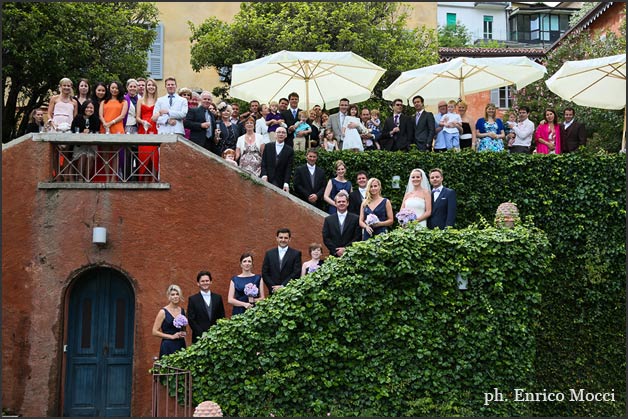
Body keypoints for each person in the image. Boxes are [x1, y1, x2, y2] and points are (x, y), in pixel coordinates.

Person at [99, 81, 128, 182]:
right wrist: (105, 123)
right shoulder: (104, 102)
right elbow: (100, 115)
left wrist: (111, 123)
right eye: (112, 88)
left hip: (117, 128)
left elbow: (122, 116)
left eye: (116, 88)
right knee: (105, 153)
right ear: (109, 88)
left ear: (119, 89)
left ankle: (113, 177)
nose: (114, 90)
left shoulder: (124, 102)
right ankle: (107, 177)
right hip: (105, 128)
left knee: (116, 154)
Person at [187, 271, 225, 343]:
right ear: (198, 283)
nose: (205, 283)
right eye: (202, 281)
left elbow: (222, 316)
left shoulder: (218, 298)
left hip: (216, 337)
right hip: (199, 338)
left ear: (211, 282)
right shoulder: (193, 299)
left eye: (207, 281)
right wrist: (201, 334)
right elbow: (191, 319)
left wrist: (217, 332)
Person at [262, 228, 302, 295]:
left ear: (289, 239)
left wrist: (283, 286)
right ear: (277, 238)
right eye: (281, 237)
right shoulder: (269, 253)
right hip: (273, 292)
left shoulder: (296, 254)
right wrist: (273, 288)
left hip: (289, 292)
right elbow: (265, 273)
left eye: (286, 238)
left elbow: (296, 272)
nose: (283, 240)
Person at [152, 284, 187, 359]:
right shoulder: (163, 312)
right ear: (169, 297)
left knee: (181, 369)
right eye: (173, 295)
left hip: (180, 344)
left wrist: (183, 333)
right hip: (168, 345)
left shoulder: (183, 311)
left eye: (177, 294)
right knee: (168, 369)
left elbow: (184, 328)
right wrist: (171, 336)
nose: (175, 296)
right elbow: (154, 332)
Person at [322, 190, 361, 257]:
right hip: (334, 255)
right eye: (339, 202)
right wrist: (335, 251)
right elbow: (326, 237)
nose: (341, 203)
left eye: (343, 201)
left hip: (351, 255)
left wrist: (346, 249)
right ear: (335, 203)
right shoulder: (328, 219)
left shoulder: (356, 218)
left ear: (347, 203)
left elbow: (358, 236)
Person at [70, 100, 100, 181]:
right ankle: (80, 179)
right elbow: (72, 130)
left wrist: (90, 131)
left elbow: (97, 131)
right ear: (84, 108)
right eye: (87, 107)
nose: (89, 109)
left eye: (91, 108)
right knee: (82, 156)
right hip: (80, 144)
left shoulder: (96, 119)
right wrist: (80, 133)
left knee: (90, 157)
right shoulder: (78, 117)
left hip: (91, 144)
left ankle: (87, 179)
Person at [136, 78, 159, 181]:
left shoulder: (159, 100)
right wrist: (142, 122)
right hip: (143, 128)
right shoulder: (140, 100)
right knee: (144, 154)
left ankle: (154, 179)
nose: (151, 87)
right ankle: (144, 180)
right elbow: (137, 117)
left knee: (154, 154)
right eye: (149, 85)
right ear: (146, 87)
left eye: (153, 85)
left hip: (155, 127)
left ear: (155, 87)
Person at [260, 126, 294, 192]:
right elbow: (263, 162)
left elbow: (288, 168)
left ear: (286, 135)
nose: (281, 134)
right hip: (267, 179)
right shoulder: (268, 146)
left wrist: (286, 183)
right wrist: (264, 175)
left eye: (283, 132)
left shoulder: (290, 150)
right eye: (279, 132)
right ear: (275, 134)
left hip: (280, 182)